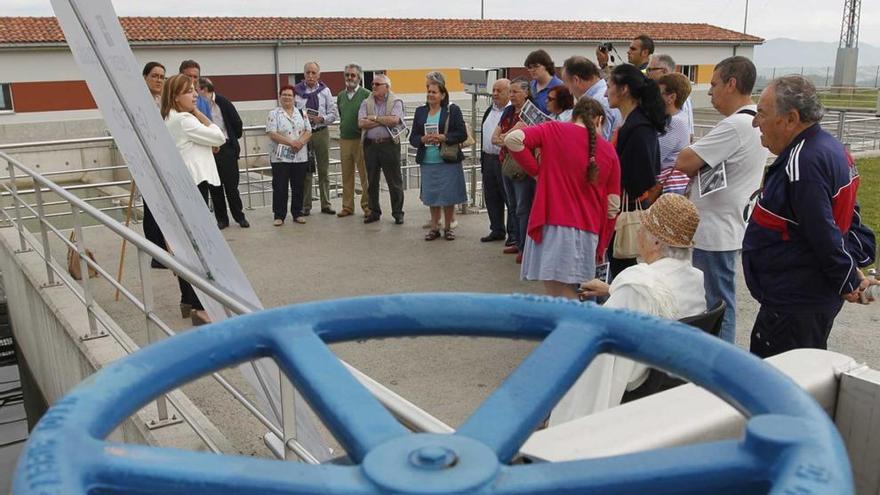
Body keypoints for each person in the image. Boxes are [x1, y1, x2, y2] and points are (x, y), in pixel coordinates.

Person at [744, 75, 879, 358]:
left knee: (778, 383)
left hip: (794, 302)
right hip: (804, 299)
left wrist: (847, 281)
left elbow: (824, 232)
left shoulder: (802, 163)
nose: (756, 122)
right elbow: (847, 217)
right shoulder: (832, 148)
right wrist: (850, 272)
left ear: (790, 118)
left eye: (762, 114)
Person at [551, 193, 705, 424]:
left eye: (642, 227)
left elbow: (599, 339)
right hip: (674, 375)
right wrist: (613, 289)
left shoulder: (637, 284)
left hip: (640, 379)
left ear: (656, 242)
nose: (638, 232)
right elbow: (658, 301)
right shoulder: (694, 279)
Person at [674, 56, 768, 344]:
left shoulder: (736, 126)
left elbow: (684, 161)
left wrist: (695, 158)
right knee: (714, 299)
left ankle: (719, 361)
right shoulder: (752, 120)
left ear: (732, 84)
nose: (710, 92)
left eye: (714, 84)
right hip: (727, 224)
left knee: (716, 304)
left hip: (715, 230)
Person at [504, 98, 621, 298]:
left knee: (558, 293)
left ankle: (574, 326)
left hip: (552, 224)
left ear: (574, 115)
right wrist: (602, 243)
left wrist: (537, 173)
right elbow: (612, 206)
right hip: (588, 229)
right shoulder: (609, 150)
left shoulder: (553, 129)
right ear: (599, 120)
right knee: (576, 291)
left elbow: (513, 139)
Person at [161, 74, 226, 326]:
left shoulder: (170, 118)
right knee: (198, 246)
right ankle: (199, 305)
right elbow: (219, 136)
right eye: (189, 92)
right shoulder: (185, 120)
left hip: (184, 185)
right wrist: (200, 114)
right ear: (176, 96)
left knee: (186, 247)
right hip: (194, 185)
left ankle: (188, 299)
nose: (195, 95)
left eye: (194, 90)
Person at [606, 64, 666, 278]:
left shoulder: (639, 127)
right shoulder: (633, 123)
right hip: (623, 205)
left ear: (623, 90)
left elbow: (643, 176)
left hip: (627, 208)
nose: (606, 92)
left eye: (609, 85)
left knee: (624, 268)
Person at [409, 79, 468, 241]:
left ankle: (448, 227)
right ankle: (434, 227)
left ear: (442, 95)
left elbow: (462, 133)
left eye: (434, 92)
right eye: (428, 91)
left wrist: (444, 137)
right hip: (428, 160)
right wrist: (422, 139)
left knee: (448, 196)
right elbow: (413, 136)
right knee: (432, 196)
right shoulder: (420, 111)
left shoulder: (452, 110)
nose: (430, 94)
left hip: (447, 160)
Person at [492, 78, 535, 264]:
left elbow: (511, 136)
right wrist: (505, 138)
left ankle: (526, 248)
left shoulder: (529, 112)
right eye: (510, 92)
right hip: (506, 162)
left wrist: (505, 137)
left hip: (522, 166)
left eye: (515, 92)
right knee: (512, 205)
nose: (511, 96)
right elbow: (496, 137)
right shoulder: (509, 111)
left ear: (526, 93)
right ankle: (517, 240)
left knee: (523, 206)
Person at [197, 77, 248, 229]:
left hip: (226, 148)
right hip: (209, 149)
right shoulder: (198, 105)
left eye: (197, 89)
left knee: (231, 186)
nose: (195, 93)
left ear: (204, 90)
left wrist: (231, 140)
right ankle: (222, 219)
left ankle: (239, 217)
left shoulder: (222, 102)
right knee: (214, 186)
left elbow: (237, 122)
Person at [358, 73, 406, 225]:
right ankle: (374, 211)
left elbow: (394, 120)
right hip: (370, 145)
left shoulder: (396, 101)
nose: (373, 87)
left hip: (389, 145)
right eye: (372, 84)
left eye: (377, 84)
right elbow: (361, 123)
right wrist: (383, 121)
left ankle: (398, 213)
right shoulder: (366, 102)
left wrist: (375, 118)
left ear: (386, 87)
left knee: (394, 180)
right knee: (371, 180)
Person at [295, 62, 338, 216]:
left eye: (314, 73)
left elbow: (334, 114)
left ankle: (326, 204)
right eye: (308, 73)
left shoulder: (325, 91)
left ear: (319, 75)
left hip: (321, 132)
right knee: (306, 171)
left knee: (323, 170)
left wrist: (322, 118)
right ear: (304, 74)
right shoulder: (297, 91)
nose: (311, 76)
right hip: (304, 134)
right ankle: (306, 205)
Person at [266, 85, 312, 226]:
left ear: (294, 98)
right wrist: (291, 143)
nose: (287, 97)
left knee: (298, 186)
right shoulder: (274, 114)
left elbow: (308, 131)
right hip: (280, 157)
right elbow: (272, 133)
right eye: (284, 95)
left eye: (289, 95)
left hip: (300, 156)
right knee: (280, 187)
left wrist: (299, 143)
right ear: (280, 97)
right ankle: (279, 215)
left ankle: (297, 213)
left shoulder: (301, 112)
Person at [479, 78, 516, 244]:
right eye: (493, 90)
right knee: (491, 196)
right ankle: (497, 229)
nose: (494, 94)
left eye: (498, 91)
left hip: (504, 159)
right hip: (488, 158)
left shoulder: (512, 112)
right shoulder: (489, 110)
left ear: (509, 93)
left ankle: (513, 234)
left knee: (509, 197)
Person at [140, 61, 168, 269]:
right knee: (152, 209)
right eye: (154, 76)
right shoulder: (139, 102)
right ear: (145, 78)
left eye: (161, 77)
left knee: (165, 207)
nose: (158, 80)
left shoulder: (165, 101)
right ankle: (156, 254)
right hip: (146, 160)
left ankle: (166, 250)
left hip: (165, 160)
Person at [335, 63, 371, 218]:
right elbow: (342, 115)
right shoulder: (341, 96)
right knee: (346, 175)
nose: (350, 78)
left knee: (365, 176)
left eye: (353, 75)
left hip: (361, 140)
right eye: (347, 75)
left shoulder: (366, 95)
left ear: (359, 77)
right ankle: (347, 206)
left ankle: (368, 207)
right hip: (344, 140)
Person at [561, 56, 620, 140]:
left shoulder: (598, 103)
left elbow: (599, 143)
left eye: (566, 83)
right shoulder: (602, 96)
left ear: (576, 80)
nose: (569, 91)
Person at [656, 73, 692, 195]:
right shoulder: (678, 117)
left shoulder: (676, 122)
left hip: (666, 187)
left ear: (671, 97)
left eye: (658, 93)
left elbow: (655, 156)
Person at [647, 54, 694, 140]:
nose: (648, 74)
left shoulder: (681, 96)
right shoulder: (655, 93)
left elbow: (689, 135)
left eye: (650, 70)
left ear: (664, 71)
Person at [524, 49, 564, 114]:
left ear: (546, 66)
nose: (532, 70)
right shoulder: (530, 86)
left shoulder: (560, 87)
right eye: (530, 67)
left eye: (536, 66)